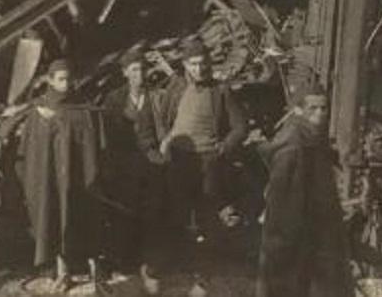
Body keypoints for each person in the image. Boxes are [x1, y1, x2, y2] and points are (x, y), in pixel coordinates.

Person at [139, 38, 246, 273]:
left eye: (202, 63)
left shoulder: (220, 91)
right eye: (193, 64)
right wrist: (165, 146)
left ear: (209, 63)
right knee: (178, 210)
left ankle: (205, 265)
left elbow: (240, 127)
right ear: (185, 65)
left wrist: (223, 148)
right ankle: (178, 261)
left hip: (209, 159)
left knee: (207, 211)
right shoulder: (176, 88)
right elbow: (164, 121)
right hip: (180, 159)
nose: (199, 69)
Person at [19, 59, 105, 291]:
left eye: (69, 79)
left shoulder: (82, 108)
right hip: (51, 180)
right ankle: (62, 271)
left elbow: (91, 146)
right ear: (50, 80)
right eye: (61, 79)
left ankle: (94, 271)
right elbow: (32, 150)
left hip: (78, 179)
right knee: (54, 220)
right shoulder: (39, 110)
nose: (66, 84)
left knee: (82, 218)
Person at [257, 84, 349, 297]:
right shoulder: (294, 145)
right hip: (295, 230)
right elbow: (283, 196)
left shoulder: (313, 138)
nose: (319, 114)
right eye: (312, 108)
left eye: (324, 108)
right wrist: (285, 237)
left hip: (309, 227)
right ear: (297, 110)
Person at [102, 47, 167, 292]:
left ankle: (150, 266)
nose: (140, 74)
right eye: (134, 70)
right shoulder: (114, 99)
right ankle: (125, 265)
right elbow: (107, 137)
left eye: (142, 68)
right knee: (125, 214)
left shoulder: (156, 96)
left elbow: (167, 127)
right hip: (124, 165)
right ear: (125, 73)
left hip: (152, 161)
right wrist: (111, 167)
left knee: (153, 214)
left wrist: (163, 151)